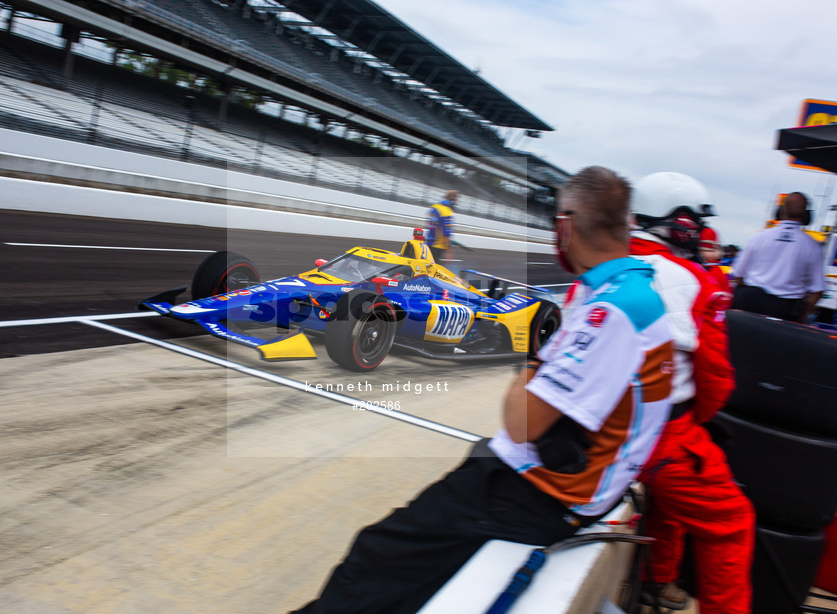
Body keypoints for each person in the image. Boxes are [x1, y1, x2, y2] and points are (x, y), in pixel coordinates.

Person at [292, 167, 675, 614]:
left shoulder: (610, 309)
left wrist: (537, 357)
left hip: (533, 491)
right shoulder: (633, 292)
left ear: (565, 226)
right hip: (549, 483)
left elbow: (521, 423)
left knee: (375, 554)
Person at [629, 171, 754, 613]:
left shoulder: (602, 264)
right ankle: (662, 581)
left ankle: (657, 577)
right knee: (734, 522)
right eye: (698, 226)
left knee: (669, 497)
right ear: (680, 222)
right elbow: (716, 377)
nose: (700, 236)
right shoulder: (698, 282)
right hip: (660, 433)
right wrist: (695, 422)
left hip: (592, 429)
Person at [731, 192, 825, 323]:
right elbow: (817, 290)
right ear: (807, 215)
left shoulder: (758, 237)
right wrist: (802, 316)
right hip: (785, 311)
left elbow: (738, 275)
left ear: (780, 211)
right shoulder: (812, 246)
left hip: (748, 303)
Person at [426, 190, 457, 263]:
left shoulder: (434, 207)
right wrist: (449, 252)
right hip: (438, 247)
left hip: (428, 243)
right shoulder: (446, 211)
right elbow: (446, 233)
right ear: (453, 199)